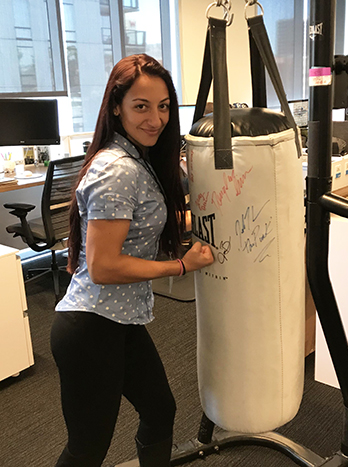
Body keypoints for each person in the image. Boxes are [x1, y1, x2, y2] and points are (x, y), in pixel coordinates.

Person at [50, 53, 214, 467]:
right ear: (116, 107)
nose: (155, 119)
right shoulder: (117, 169)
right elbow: (104, 267)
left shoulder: (136, 158)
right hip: (90, 328)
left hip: (120, 321)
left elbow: (141, 217)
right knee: (87, 448)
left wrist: (202, 216)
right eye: (141, 106)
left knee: (160, 410)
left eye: (163, 107)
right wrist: (180, 266)